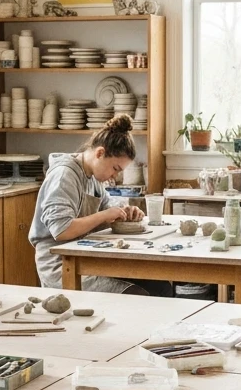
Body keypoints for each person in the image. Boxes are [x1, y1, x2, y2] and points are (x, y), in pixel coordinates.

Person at [29, 115, 167, 295]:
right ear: (100, 153)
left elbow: (108, 208)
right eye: (115, 168)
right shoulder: (64, 175)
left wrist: (126, 212)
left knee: (160, 286)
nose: (115, 176)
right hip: (59, 264)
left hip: (84, 255)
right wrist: (105, 215)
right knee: (136, 295)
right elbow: (62, 230)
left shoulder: (93, 179)